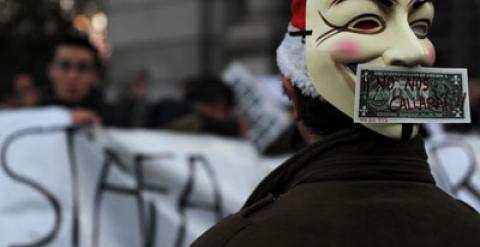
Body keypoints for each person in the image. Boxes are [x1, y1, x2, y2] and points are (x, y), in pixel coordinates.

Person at [192, 0, 480, 246]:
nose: (414, 51)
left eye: (420, 27)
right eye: (366, 23)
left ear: (292, 96)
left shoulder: (236, 239)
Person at [40, 33, 109, 125]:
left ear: (95, 75)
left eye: (82, 68)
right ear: (50, 70)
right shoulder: (29, 113)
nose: (73, 76)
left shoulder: (116, 118)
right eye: (65, 66)